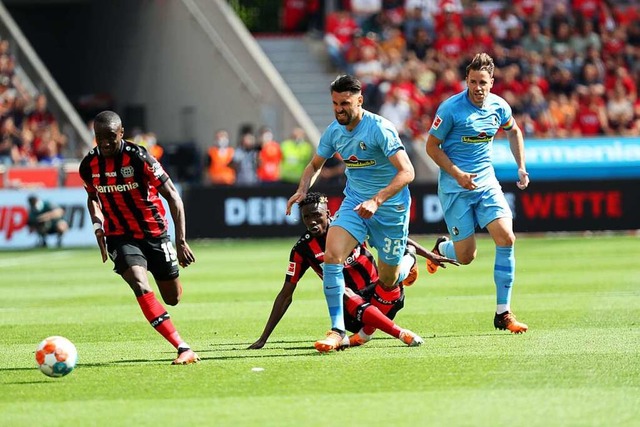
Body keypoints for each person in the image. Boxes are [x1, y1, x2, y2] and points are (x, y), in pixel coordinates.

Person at [286, 74, 415, 353]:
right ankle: (337, 330)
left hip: (390, 208)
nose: (339, 109)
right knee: (332, 255)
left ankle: (408, 261)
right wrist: (302, 189)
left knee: (388, 280)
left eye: (345, 103)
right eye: (334, 103)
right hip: (355, 203)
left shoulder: (380, 128)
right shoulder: (333, 131)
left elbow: (408, 172)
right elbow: (315, 164)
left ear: (360, 100)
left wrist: (377, 200)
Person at [249, 192, 457, 350]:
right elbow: (286, 294)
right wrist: (263, 338)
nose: (312, 221)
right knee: (343, 291)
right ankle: (372, 333)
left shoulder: (349, 226)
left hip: (382, 293)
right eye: (306, 218)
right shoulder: (302, 249)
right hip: (350, 312)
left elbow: (393, 238)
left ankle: (408, 261)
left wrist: (429, 255)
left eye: (316, 216)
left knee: (387, 279)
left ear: (328, 214)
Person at [78, 110, 199, 365]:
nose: (105, 142)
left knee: (172, 298)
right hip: (119, 235)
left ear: (121, 133)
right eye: (99, 137)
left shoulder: (139, 157)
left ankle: (163, 286)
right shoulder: (88, 165)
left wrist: (180, 241)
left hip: (154, 233)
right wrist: (98, 225)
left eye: (111, 136)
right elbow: (92, 198)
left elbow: (173, 197)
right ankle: (182, 347)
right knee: (139, 283)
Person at [425, 52, 530, 334]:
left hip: (486, 183)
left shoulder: (499, 106)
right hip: (455, 187)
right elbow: (431, 147)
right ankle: (441, 248)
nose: (477, 87)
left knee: (506, 237)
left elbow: (514, 131)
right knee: (466, 256)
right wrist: (457, 173)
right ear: (466, 81)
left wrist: (521, 166)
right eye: (472, 81)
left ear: (492, 82)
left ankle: (503, 313)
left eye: (483, 82)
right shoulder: (450, 109)